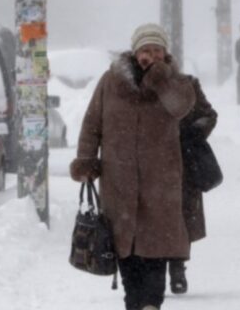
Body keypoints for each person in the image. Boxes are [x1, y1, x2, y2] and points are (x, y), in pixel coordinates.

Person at [70, 23, 195, 310]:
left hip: (160, 187)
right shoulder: (110, 82)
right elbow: (92, 124)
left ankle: (151, 305)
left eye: (157, 50)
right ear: (135, 52)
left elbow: (180, 107)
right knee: (128, 262)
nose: (150, 55)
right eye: (145, 50)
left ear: (165, 54)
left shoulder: (178, 83)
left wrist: (160, 79)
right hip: (119, 185)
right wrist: (87, 160)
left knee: (154, 260)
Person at [168, 77, 218, 295]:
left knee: (182, 215)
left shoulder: (185, 83)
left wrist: (190, 134)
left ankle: (177, 267)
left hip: (184, 162)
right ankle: (155, 269)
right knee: (152, 217)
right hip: (149, 162)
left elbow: (209, 115)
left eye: (157, 51)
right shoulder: (137, 87)